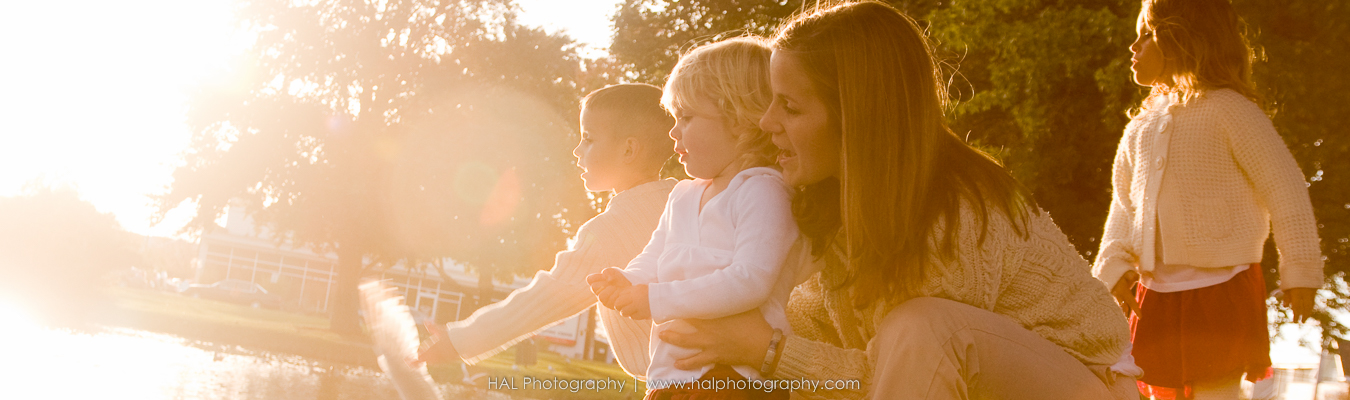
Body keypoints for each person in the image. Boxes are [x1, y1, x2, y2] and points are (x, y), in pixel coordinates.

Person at [649, 2, 1139, 399]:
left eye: (791, 106)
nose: (766, 121)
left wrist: (769, 351)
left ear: (856, 115)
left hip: (1085, 384)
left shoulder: (957, 208)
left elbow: (905, 370)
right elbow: (823, 339)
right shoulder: (833, 209)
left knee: (925, 326)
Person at [1094, 0, 1324, 398]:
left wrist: (1300, 271)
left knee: (1216, 392)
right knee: (1157, 389)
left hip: (1223, 287)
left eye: (1146, 35)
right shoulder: (1140, 127)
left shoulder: (1231, 111)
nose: (1133, 46)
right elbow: (1124, 205)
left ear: (1183, 39)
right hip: (1156, 292)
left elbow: (1286, 189)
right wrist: (1114, 263)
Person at [411, 83, 677, 378]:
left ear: (629, 149)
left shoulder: (607, 232)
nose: (577, 151)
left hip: (677, 386)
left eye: (588, 139)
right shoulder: (692, 201)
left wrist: (459, 341)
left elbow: (550, 295)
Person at [587, 37, 799, 400]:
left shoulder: (762, 190)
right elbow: (655, 255)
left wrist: (655, 299)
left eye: (686, 117)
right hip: (671, 377)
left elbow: (750, 280)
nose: (673, 131)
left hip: (732, 378)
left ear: (740, 120)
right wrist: (629, 279)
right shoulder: (683, 194)